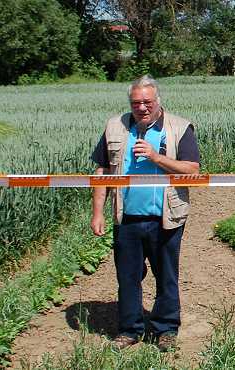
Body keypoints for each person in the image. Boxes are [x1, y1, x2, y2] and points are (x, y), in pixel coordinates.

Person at [90, 75, 201, 351]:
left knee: (166, 276)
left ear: (158, 102)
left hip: (166, 218)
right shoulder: (114, 127)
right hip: (126, 218)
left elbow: (193, 170)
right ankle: (129, 330)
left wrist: (155, 157)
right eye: (136, 102)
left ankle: (166, 329)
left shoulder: (179, 127)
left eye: (147, 102)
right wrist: (97, 213)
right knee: (127, 277)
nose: (141, 107)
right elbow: (102, 173)